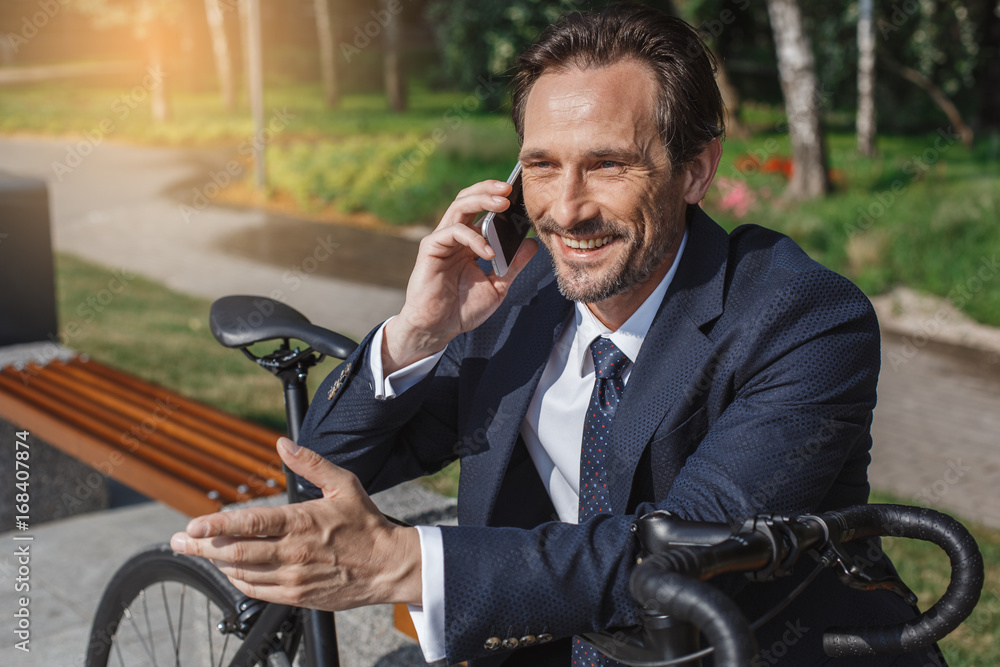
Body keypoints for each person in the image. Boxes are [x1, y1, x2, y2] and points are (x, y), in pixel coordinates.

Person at [171, 4, 945, 665]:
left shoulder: (804, 317)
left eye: (607, 164)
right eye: (542, 166)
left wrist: (408, 563)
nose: (566, 209)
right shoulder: (518, 295)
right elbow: (321, 480)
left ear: (695, 170)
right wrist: (415, 334)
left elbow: (686, 556)